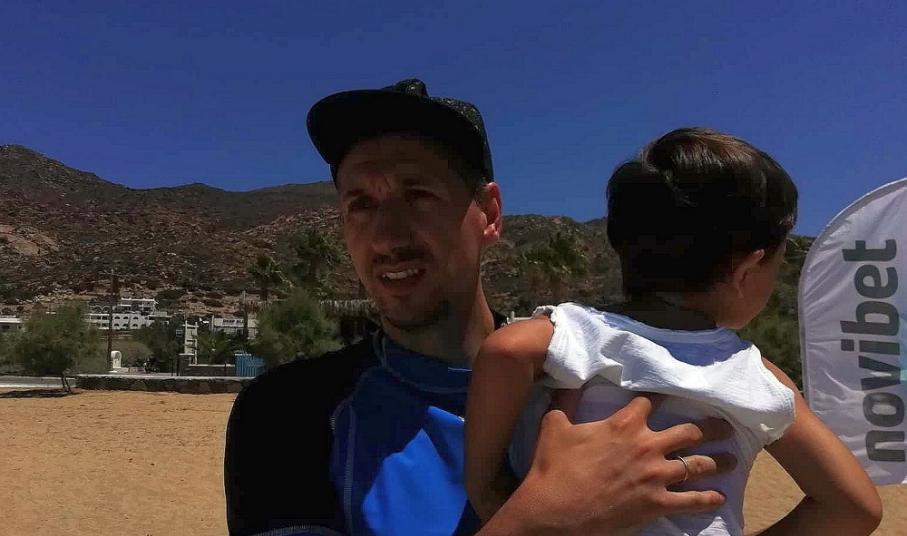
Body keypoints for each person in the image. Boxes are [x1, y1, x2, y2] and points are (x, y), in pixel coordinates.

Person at [224, 80, 736, 536]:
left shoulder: (599, 380)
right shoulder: (288, 412)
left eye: (417, 195)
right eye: (361, 204)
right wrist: (542, 520)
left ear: (489, 214)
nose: (385, 237)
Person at [464, 128, 883, 535]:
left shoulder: (575, 334)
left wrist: (489, 492)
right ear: (747, 270)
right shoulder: (758, 377)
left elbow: (507, 348)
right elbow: (854, 508)